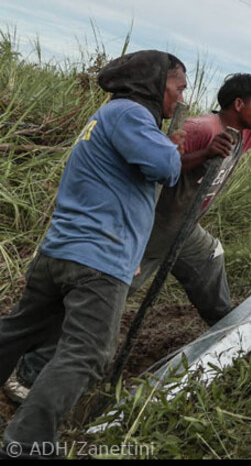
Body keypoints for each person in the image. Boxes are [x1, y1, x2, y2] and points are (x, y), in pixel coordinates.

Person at [8, 72, 251, 404]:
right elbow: (155, 167)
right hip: (151, 230)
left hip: (186, 231)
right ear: (238, 103)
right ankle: (29, 375)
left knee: (211, 261)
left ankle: (232, 338)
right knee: (97, 301)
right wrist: (137, 240)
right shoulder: (200, 128)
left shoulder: (248, 133)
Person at [0, 50, 186, 457]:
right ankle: (25, 444)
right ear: (156, 84)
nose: (181, 100)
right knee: (88, 353)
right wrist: (173, 146)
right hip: (97, 260)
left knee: (22, 330)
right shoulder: (131, 114)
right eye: (178, 88)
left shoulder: (111, 114)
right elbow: (164, 167)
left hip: (63, 250)